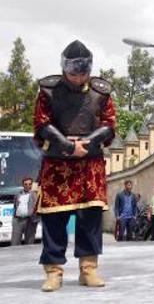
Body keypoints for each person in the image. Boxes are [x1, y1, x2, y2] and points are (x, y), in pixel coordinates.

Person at [32, 40, 116, 292]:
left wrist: (86, 143)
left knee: (90, 218)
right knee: (54, 219)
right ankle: (54, 272)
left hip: (89, 163)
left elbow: (110, 124)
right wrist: (68, 146)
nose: (78, 78)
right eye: (73, 73)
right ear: (64, 69)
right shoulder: (48, 91)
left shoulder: (101, 93)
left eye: (83, 73)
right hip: (57, 163)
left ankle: (88, 269)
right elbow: (41, 124)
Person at [11, 176, 39, 245]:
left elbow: (38, 207)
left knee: (29, 243)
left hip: (30, 220)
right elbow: (15, 205)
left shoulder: (35, 194)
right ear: (23, 185)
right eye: (26, 184)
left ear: (32, 185)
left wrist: (36, 219)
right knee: (14, 242)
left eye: (29, 184)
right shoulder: (18, 194)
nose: (28, 186)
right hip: (18, 220)